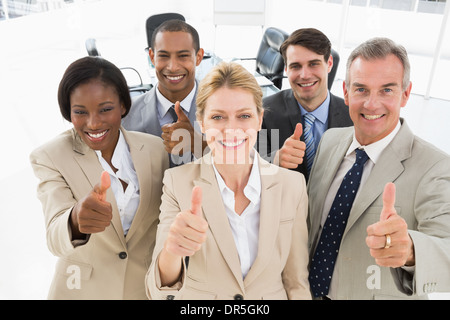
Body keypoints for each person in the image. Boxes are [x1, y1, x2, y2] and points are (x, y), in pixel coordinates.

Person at [145, 62, 311, 300]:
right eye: (218, 117)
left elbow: (296, 282)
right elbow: (158, 289)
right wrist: (173, 251)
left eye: (244, 116)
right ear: (201, 123)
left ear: (259, 119)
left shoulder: (292, 186)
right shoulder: (177, 183)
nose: (231, 129)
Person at [307, 37, 450, 300]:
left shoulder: (435, 167)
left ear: (405, 94)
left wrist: (410, 251)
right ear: (346, 92)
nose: (372, 104)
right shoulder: (330, 140)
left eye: (386, 90)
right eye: (361, 89)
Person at [29, 56, 169, 299]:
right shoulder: (50, 156)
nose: (93, 124)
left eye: (105, 109)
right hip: (83, 291)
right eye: (80, 112)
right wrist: (74, 221)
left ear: (124, 106)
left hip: (143, 289)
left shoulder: (155, 149)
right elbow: (54, 236)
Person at [259, 28, 352, 181]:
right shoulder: (266, 112)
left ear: (329, 64)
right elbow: (250, 165)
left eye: (313, 64)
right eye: (296, 66)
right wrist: (276, 159)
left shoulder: (352, 116)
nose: (305, 75)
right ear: (286, 69)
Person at [122, 19, 207, 166]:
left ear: (198, 57)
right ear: (152, 57)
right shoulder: (126, 116)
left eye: (183, 56)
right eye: (164, 56)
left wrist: (199, 145)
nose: (173, 67)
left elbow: (248, 166)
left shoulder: (227, 109)